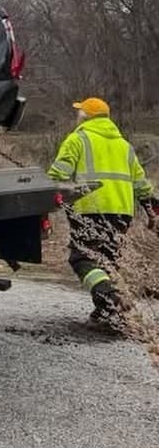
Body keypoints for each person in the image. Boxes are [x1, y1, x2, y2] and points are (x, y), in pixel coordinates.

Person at [47, 97, 154, 327]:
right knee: (108, 260)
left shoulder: (78, 139)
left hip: (89, 209)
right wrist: (150, 208)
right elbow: (141, 183)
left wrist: (46, 191)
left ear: (85, 116)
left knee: (82, 258)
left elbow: (57, 175)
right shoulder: (124, 145)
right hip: (122, 212)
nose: (77, 116)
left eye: (79, 112)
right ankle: (106, 313)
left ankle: (109, 298)